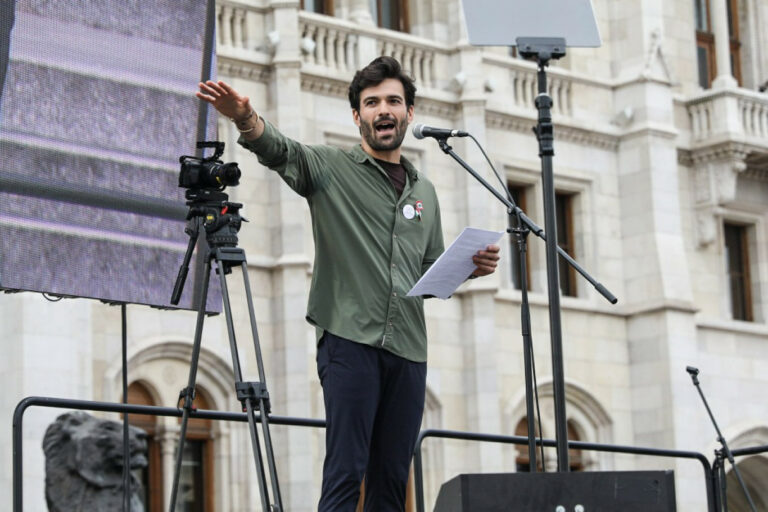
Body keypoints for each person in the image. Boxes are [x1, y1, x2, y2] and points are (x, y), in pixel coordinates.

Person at [197, 56, 500, 511]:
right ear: (357, 116)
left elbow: (430, 270)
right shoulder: (330, 168)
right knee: (346, 471)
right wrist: (245, 117)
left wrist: (469, 266)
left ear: (409, 113)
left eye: (394, 101)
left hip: (409, 349)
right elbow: (281, 150)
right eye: (372, 102)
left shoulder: (425, 193)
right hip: (348, 341)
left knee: (393, 480)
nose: (384, 110)